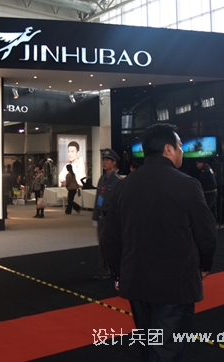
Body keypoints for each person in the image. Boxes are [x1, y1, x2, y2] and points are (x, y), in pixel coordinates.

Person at [104, 123, 217, 361]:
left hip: (136, 281)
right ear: (168, 149)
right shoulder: (187, 184)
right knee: (167, 351)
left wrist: (118, 273)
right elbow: (206, 233)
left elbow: (111, 237)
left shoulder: (123, 187)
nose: (182, 151)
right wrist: (204, 265)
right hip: (175, 283)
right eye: (179, 146)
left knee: (149, 345)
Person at [92, 148, 122, 280]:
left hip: (111, 217)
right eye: (103, 160)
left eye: (108, 160)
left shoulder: (117, 181)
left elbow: (119, 202)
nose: (104, 162)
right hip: (101, 216)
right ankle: (103, 270)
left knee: (110, 244)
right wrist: (95, 216)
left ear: (114, 162)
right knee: (102, 244)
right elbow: (98, 198)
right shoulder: (102, 179)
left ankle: (110, 270)